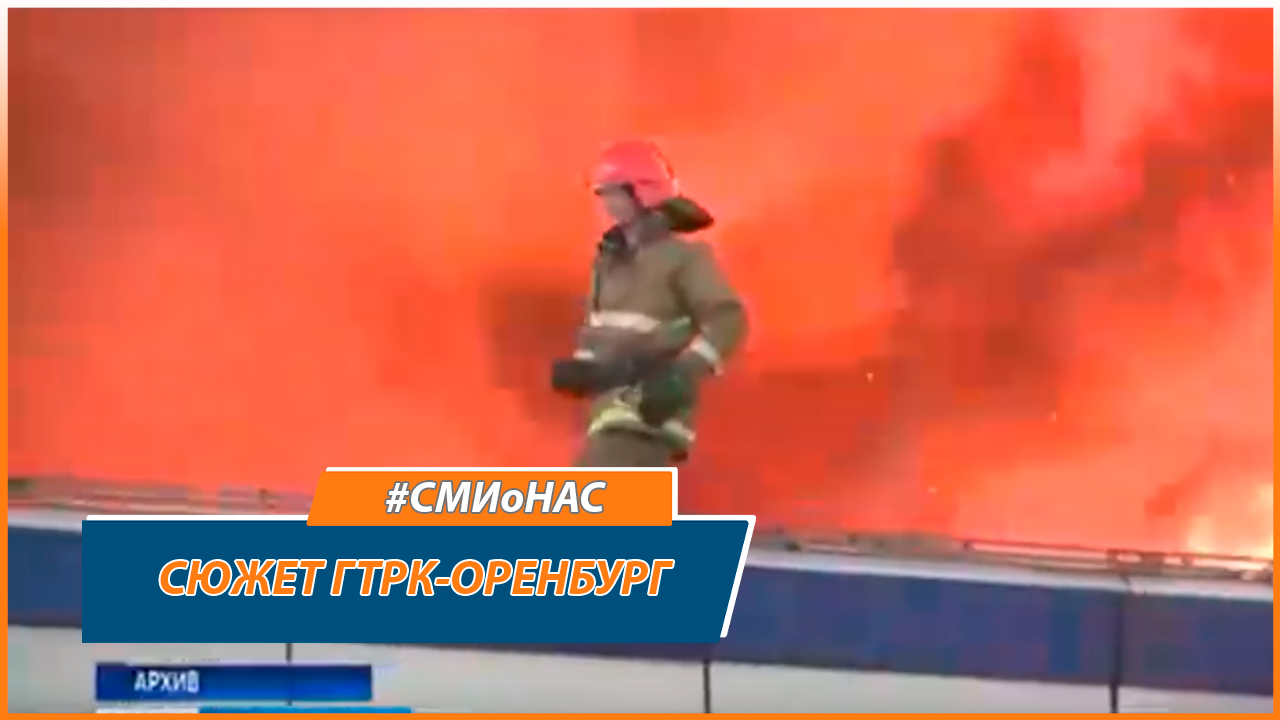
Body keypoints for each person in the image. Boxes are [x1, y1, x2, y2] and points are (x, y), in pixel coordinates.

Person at [550, 140, 748, 467]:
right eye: (603, 194)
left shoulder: (684, 258)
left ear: (643, 193)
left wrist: (682, 374)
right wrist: (581, 368)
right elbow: (600, 333)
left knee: (591, 496)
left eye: (614, 193)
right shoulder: (608, 265)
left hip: (649, 417)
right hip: (608, 417)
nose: (607, 204)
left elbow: (728, 320)